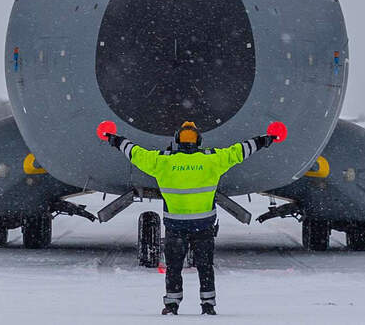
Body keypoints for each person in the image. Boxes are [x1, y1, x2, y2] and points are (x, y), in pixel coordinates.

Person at [105, 121, 277, 315]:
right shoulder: (212, 160)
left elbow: (135, 153)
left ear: (177, 140)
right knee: (205, 267)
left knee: (174, 267)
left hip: (175, 226)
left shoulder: (162, 161)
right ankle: (208, 305)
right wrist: (264, 140)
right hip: (203, 226)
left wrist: (116, 140)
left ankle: (172, 304)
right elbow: (240, 151)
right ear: (199, 141)